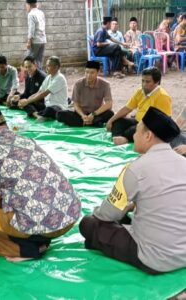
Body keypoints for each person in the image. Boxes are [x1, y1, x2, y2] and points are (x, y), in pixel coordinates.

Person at [0, 109, 81, 262]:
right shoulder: (28, 140)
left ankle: (25, 249)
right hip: (70, 216)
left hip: (40, 224)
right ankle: (40, 240)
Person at [80, 107, 186, 274]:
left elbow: (107, 215)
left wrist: (100, 213)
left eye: (136, 131)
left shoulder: (136, 168)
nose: (134, 136)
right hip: (183, 254)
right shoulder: (182, 162)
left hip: (155, 259)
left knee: (88, 223)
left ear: (148, 135)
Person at [106, 67, 172, 145]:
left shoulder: (163, 96)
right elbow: (127, 108)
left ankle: (124, 138)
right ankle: (120, 138)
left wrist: (140, 128)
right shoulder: (140, 91)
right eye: (142, 81)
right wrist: (110, 120)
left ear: (157, 82)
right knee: (117, 122)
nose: (144, 84)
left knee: (132, 130)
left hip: (151, 126)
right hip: (138, 121)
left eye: (147, 82)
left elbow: (163, 122)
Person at [57, 61, 114, 127]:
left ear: (98, 73)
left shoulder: (105, 84)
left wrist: (93, 114)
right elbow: (76, 104)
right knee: (59, 114)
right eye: (87, 72)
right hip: (81, 114)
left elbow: (109, 104)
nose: (89, 75)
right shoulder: (78, 84)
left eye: (92, 73)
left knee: (110, 114)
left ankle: (86, 122)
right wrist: (83, 116)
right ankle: (92, 122)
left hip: (96, 113)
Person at [18, 56, 68, 121]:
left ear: (56, 67)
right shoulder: (48, 77)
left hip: (58, 106)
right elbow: (39, 92)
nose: (46, 68)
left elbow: (44, 94)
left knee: (50, 110)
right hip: (46, 105)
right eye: (46, 65)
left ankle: (38, 114)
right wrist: (26, 101)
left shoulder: (60, 78)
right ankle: (38, 115)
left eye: (48, 66)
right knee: (26, 103)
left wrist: (27, 101)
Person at [26, 0, 47, 70]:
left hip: (35, 41)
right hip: (43, 40)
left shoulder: (31, 14)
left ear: (29, 5)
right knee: (39, 60)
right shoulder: (41, 13)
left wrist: (29, 41)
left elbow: (31, 29)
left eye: (26, 5)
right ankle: (41, 78)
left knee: (29, 60)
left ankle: (29, 77)